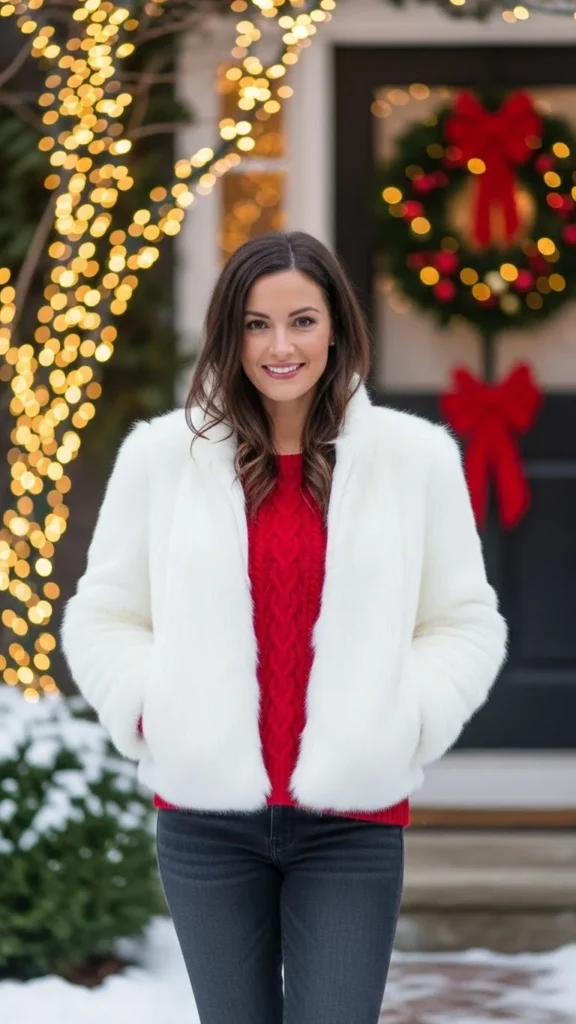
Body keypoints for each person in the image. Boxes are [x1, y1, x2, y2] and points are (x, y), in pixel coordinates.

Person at [60, 230, 507, 1024]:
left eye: (302, 320)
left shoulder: (415, 460)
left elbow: (463, 622)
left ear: (337, 326)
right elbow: (105, 615)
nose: (280, 346)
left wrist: (408, 721)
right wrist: (150, 708)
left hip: (350, 827)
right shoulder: (163, 459)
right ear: (229, 335)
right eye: (256, 324)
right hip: (206, 826)